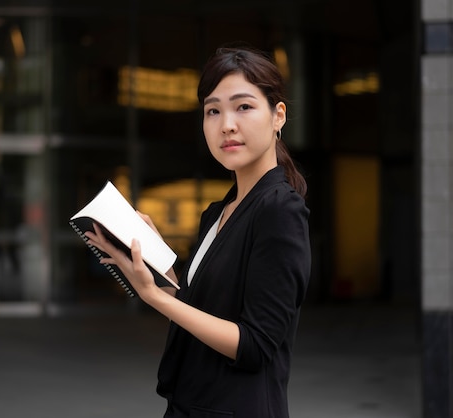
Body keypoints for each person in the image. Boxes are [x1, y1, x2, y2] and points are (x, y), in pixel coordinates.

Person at [85, 46, 311, 418]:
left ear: (278, 116)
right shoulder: (217, 213)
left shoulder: (279, 210)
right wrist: (159, 269)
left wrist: (154, 298)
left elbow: (254, 345)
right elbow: (202, 310)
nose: (226, 124)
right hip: (191, 404)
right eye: (212, 110)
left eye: (243, 106)